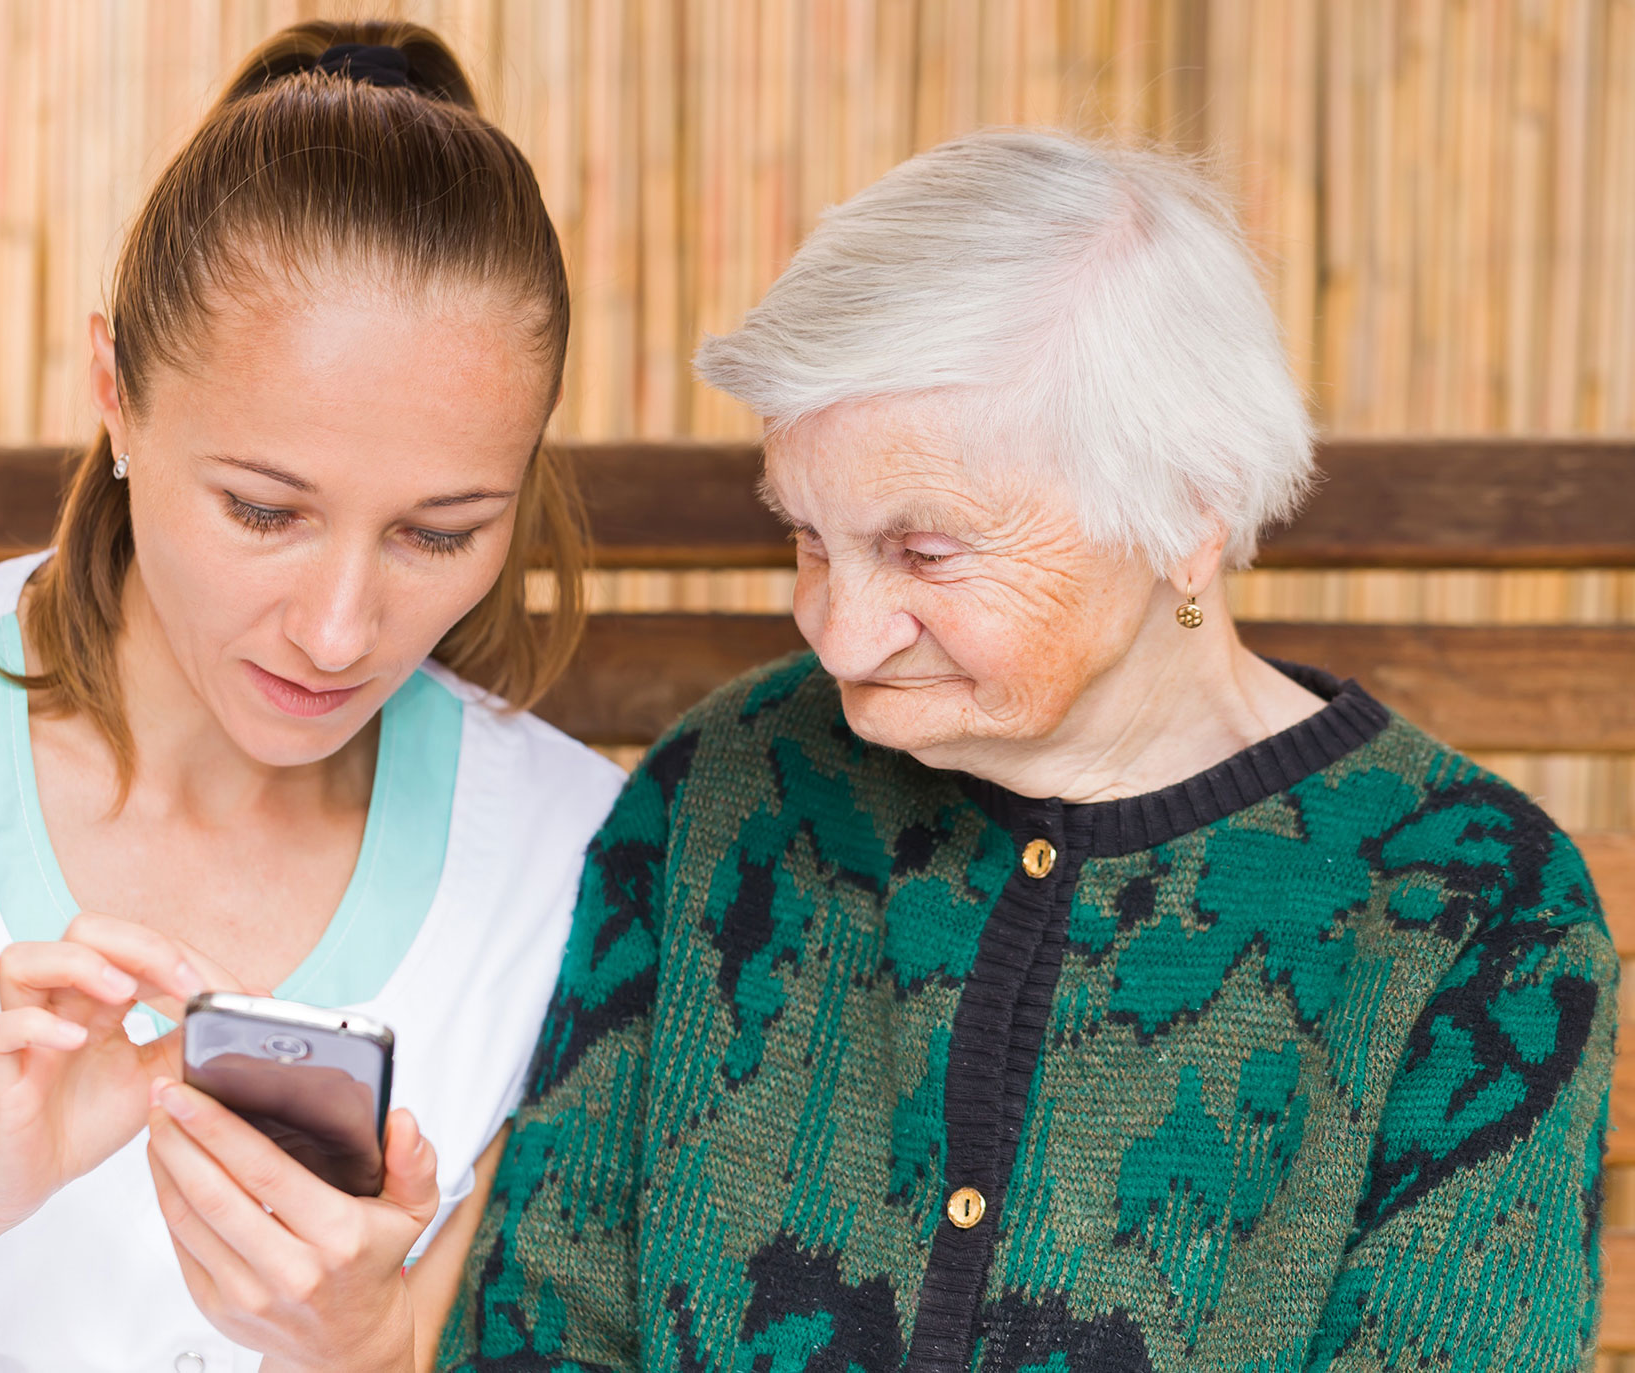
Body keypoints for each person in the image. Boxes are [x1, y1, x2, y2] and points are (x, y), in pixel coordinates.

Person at [440, 131, 1618, 1371]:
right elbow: (539, 1328)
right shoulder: (720, 787)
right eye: (804, 535)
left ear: (1187, 508)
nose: (839, 635)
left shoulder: (1477, 914)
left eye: (925, 550)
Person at [0, 21, 623, 1373]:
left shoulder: (582, 856)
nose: (339, 631)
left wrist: (363, 1343)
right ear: (114, 388)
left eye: (438, 533)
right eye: (263, 510)